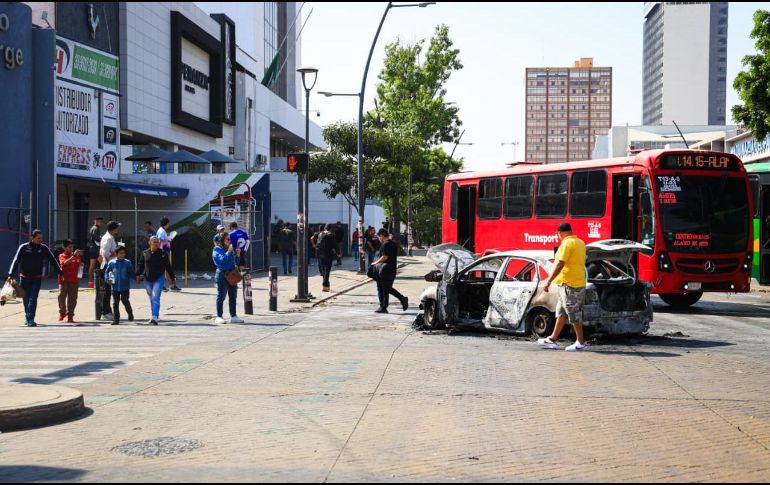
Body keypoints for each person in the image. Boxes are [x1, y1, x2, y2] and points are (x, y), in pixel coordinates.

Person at [538, 222, 589, 352]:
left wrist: (549, 281)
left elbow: (560, 264)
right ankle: (552, 339)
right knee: (561, 312)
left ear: (559, 233)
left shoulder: (566, 244)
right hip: (571, 283)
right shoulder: (580, 243)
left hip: (571, 284)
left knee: (573, 313)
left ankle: (580, 343)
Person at [7, 230, 62, 326]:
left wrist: (60, 271)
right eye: (38, 238)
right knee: (26, 298)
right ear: (32, 237)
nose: (40, 240)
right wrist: (10, 274)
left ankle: (30, 318)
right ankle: (27, 316)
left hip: (36, 278)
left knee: (33, 298)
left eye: (41, 238)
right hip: (24, 277)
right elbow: (16, 260)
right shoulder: (24, 247)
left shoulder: (43, 248)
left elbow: (52, 259)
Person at [137, 236, 177, 325]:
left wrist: (172, 279)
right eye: (154, 242)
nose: (156, 244)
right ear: (149, 243)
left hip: (159, 278)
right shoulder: (144, 253)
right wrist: (137, 275)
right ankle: (153, 316)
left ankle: (155, 317)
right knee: (151, 298)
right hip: (147, 279)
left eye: (157, 242)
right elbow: (140, 265)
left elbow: (168, 267)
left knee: (155, 297)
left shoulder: (163, 254)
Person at [371, 228, 408, 314]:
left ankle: (385, 305)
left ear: (382, 236)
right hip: (392, 269)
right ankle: (385, 306)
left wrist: (375, 263)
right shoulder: (393, 244)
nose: (379, 239)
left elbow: (385, 257)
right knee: (387, 288)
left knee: (381, 288)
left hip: (384, 270)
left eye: (379, 237)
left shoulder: (385, 244)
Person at [212, 234, 243, 325]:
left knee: (233, 296)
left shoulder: (229, 249)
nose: (230, 241)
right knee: (221, 296)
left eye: (230, 239)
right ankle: (219, 316)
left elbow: (235, 262)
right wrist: (229, 252)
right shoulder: (217, 250)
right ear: (222, 240)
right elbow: (222, 261)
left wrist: (237, 255)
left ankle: (233, 316)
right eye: (228, 239)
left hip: (232, 274)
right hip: (222, 275)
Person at [105, 246, 135, 325]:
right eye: (121, 253)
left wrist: (137, 278)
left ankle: (130, 314)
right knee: (115, 303)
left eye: (124, 253)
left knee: (125, 301)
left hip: (125, 286)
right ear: (116, 254)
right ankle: (116, 319)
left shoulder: (127, 263)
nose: (122, 255)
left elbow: (132, 273)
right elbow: (107, 272)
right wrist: (108, 279)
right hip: (115, 287)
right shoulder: (111, 263)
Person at [97, 220, 120, 321]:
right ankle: (105, 312)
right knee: (107, 290)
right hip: (108, 267)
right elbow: (105, 254)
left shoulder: (108, 237)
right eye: (117, 228)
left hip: (109, 267)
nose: (118, 230)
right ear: (113, 229)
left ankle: (108, 311)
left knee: (109, 289)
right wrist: (115, 253)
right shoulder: (108, 238)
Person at [57, 240, 83, 324]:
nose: (71, 249)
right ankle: (62, 312)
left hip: (74, 280)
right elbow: (64, 263)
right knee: (61, 296)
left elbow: (79, 265)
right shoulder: (62, 255)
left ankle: (70, 315)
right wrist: (74, 256)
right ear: (64, 248)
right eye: (69, 247)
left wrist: (81, 267)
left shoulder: (77, 256)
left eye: (72, 247)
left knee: (72, 298)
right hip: (63, 280)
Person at [157, 217, 181, 292]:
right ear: (166, 223)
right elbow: (160, 241)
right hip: (163, 253)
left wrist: (168, 239)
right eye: (168, 223)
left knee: (166, 270)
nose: (169, 224)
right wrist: (161, 252)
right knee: (167, 270)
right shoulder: (161, 231)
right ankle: (169, 285)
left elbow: (163, 241)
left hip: (164, 253)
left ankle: (169, 285)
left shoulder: (161, 230)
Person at [316, 224, 337, 292]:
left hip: (321, 254)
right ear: (330, 229)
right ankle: (325, 286)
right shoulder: (331, 235)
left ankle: (325, 285)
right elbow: (335, 245)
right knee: (327, 270)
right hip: (328, 254)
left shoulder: (320, 234)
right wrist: (338, 253)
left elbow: (317, 243)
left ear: (325, 228)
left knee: (323, 269)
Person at [87, 217, 104, 288]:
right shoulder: (96, 229)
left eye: (102, 222)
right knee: (103, 264)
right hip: (96, 250)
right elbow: (97, 239)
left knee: (92, 266)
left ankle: (90, 283)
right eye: (100, 222)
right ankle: (101, 282)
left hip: (92, 249)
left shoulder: (92, 228)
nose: (101, 223)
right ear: (96, 221)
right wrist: (102, 240)